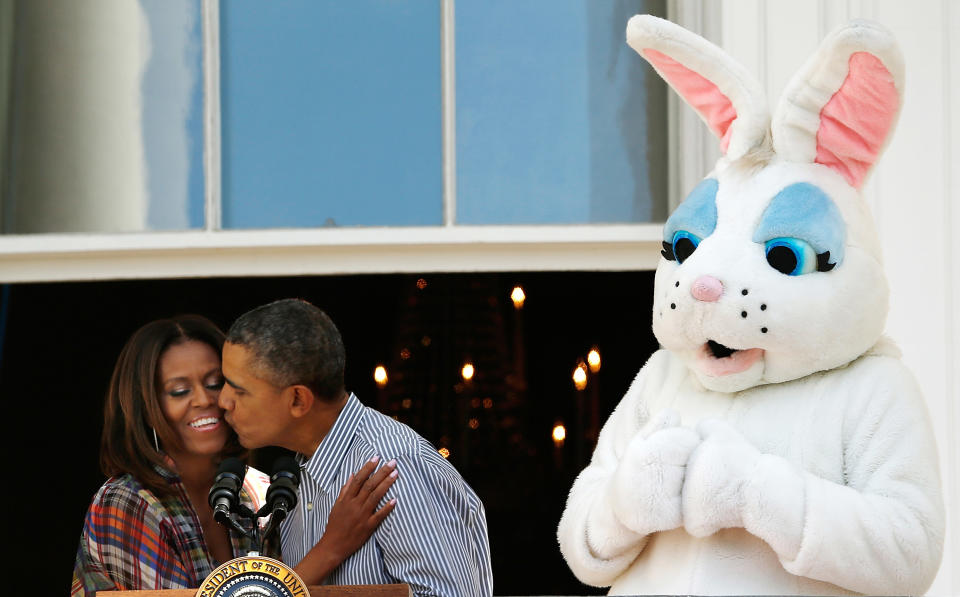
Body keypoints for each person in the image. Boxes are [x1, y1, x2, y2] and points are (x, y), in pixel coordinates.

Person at [72, 315, 396, 596]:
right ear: (145, 407)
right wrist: (330, 549)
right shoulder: (126, 501)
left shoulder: (256, 491)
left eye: (216, 383)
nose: (205, 400)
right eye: (180, 391)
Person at [218, 298, 493, 597]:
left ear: (298, 400)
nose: (223, 401)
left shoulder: (394, 468)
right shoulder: (298, 470)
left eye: (239, 390)